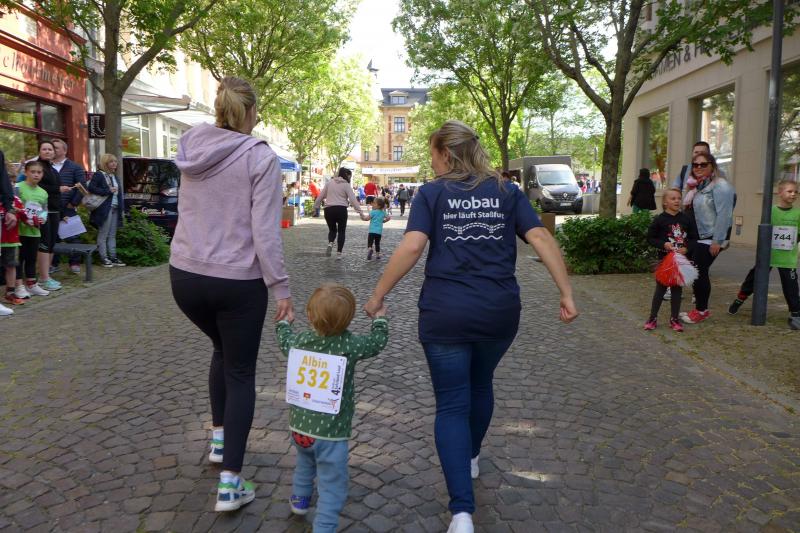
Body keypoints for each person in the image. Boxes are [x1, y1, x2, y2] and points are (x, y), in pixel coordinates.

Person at [363, 120, 578, 533]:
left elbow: (412, 245)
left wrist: (378, 295)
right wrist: (565, 292)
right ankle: (472, 455)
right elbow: (540, 237)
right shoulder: (506, 191)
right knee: (481, 384)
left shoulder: (432, 193)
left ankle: (461, 513)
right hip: (498, 311)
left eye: (432, 154)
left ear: (446, 153)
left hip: (445, 312)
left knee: (451, 404)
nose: (432, 163)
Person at [169, 76, 294, 512]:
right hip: (237, 281)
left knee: (221, 351)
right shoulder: (259, 157)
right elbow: (265, 231)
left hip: (185, 276)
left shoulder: (191, 146)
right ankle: (230, 484)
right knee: (240, 372)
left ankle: (220, 441)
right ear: (252, 111)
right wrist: (280, 287)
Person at [276, 284, 388, 532]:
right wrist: (379, 319)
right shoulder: (350, 345)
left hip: (300, 430)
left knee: (305, 464)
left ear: (309, 315)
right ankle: (324, 527)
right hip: (331, 435)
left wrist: (284, 323)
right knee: (332, 486)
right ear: (348, 319)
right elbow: (376, 343)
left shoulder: (300, 341)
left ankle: (299, 501)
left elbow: (284, 340)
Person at [728, 179, 800, 330]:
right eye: (789, 191)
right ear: (780, 193)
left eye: (796, 192)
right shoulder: (770, 211)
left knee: (791, 287)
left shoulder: (798, 213)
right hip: (768, 256)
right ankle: (740, 299)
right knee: (753, 279)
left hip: (787, 258)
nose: (793, 194)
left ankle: (795, 313)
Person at [679, 153, 734, 324]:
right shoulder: (699, 186)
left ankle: (702, 311)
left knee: (699, 273)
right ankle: (699, 309)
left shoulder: (721, 186)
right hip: (696, 237)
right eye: (695, 165)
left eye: (703, 164)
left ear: (712, 166)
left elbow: (724, 215)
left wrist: (718, 240)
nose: (698, 167)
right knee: (696, 272)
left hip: (709, 238)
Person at [644, 188, 698, 332]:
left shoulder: (686, 219)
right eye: (673, 198)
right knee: (660, 289)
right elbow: (650, 238)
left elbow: (694, 238)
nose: (677, 201)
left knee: (677, 290)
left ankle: (674, 319)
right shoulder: (659, 219)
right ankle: (652, 318)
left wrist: (687, 248)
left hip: (681, 261)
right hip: (664, 261)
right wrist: (663, 244)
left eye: (679, 198)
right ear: (665, 202)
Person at [313, 167, 367, 259]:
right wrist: (360, 212)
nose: (350, 178)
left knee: (332, 230)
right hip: (341, 209)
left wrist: (315, 207)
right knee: (341, 231)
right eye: (350, 176)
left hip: (328, 210)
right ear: (347, 175)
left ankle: (330, 243)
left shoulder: (329, 183)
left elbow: (321, 196)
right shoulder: (346, 185)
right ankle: (339, 253)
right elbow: (353, 200)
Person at [14, 161, 49, 299]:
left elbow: (44, 210)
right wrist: (22, 216)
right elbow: (12, 205)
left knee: (31, 258)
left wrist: (42, 218)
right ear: (26, 172)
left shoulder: (43, 192)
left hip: (34, 231)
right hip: (18, 231)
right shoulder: (18, 187)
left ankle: (32, 284)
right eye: (33, 172)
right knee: (19, 259)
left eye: (39, 172)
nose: (36, 175)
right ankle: (18, 286)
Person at [51, 139, 87, 274]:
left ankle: (75, 263)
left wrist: (73, 203)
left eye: (56, 147)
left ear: (64, 150)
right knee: (52, 237)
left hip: (68, 207)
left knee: (73, 236)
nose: (53, 150)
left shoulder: (75, 167)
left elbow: (82, 187)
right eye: (52, 147)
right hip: (51, 207)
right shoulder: (46, 167)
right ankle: (53, 264)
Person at [32, 141, 62, 292]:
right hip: (43, 210)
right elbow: (37, 186)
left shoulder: (53, 169)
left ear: (54, 152)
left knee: (51, 243)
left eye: (50, 149)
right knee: (44, 243)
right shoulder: (37, 167)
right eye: (44, 149)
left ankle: (47, 275)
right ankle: (43, 278)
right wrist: (58, 189)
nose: (48, 151)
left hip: (55, 210)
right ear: (40, 151)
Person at [88, 154, 125, 267]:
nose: (114, 164)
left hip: (115, 207)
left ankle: (113, 257)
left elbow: (119, 194)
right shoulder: (99, 175)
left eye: (115, 161)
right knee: (103, 233)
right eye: (111, 162)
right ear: (105, 163)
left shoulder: (114, 176)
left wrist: (121, 208)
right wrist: (107, 190)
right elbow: (91, 188)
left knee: (112, 234)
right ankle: (104, 258)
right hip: (104, 208)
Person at [367, 196, 391, 260]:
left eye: (374, 203)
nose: (373, 204)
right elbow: (388, 218)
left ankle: (370, 249)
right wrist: (384, 221)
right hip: (379, 232)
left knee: (370, 243)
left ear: (378, 206)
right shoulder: (383, 212)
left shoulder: (372, 212)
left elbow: (367, 218)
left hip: (371, 231)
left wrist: (362, 217)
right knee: (377, 244)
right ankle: (377, 255)